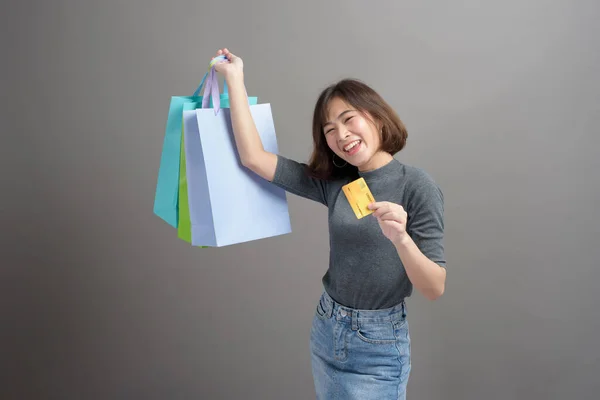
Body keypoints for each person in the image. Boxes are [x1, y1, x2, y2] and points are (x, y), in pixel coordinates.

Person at [212, 48, 447, 400]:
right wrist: (235, 80)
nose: (342, 135)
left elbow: (434, 288)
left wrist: (401, 239)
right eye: (330, 130)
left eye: (349, 119)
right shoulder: (337, 183)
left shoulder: (416, 185)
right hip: (328, 328)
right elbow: (254, 158)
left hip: (378, 344)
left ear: (377, 117)